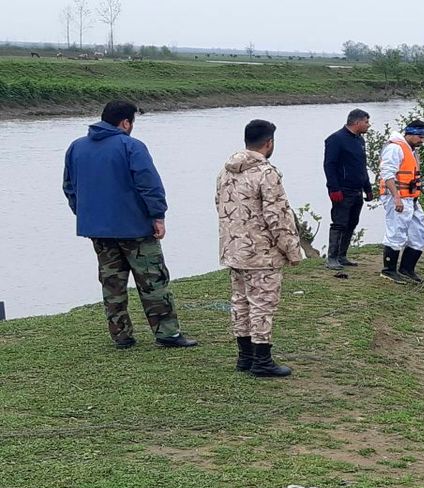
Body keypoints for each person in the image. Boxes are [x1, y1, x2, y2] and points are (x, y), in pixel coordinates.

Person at [62, 99, 197, 349]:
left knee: (112, 283)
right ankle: (167, 333)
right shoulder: (131, 146)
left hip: (98, 229)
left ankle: (121, 335)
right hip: (135, 228)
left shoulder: (76, 148)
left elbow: (69, 188)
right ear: (125, 122)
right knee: (153, 280)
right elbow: (148, 185)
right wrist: (158, 216)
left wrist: (85, 214)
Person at [215, 119, 304, 377]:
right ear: (269, 143)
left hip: (234, 249)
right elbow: (278, 216)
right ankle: (262, 360)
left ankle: (245, 357)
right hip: (262, 253)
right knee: (262, 305)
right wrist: (292, 250)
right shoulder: (267, 173)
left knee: (240, 302)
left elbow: (219, 205)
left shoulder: (225, 171)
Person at [322, 108, 374, 270]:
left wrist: (368, 188)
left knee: (352, 222)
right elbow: (329, 165)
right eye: (366, 122)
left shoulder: (360, 140)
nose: (368, 125)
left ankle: (342, 255)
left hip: (357, 188)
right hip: (342, 189)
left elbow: (362, 167)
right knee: (339, 222)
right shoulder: (336, 139)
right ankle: (332, 258)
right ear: (357, 122)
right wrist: (333, 188)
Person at [378, 119, 424, 283]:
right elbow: (388, 174)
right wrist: (396, 197)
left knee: (420, 233)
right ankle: (388, 270)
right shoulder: (395, 148)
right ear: (410, 133)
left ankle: (407, 269)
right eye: (420, 136)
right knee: (396, 232)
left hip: (411, 198)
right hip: (397, 197)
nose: (423, 140)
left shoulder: (411, 150)